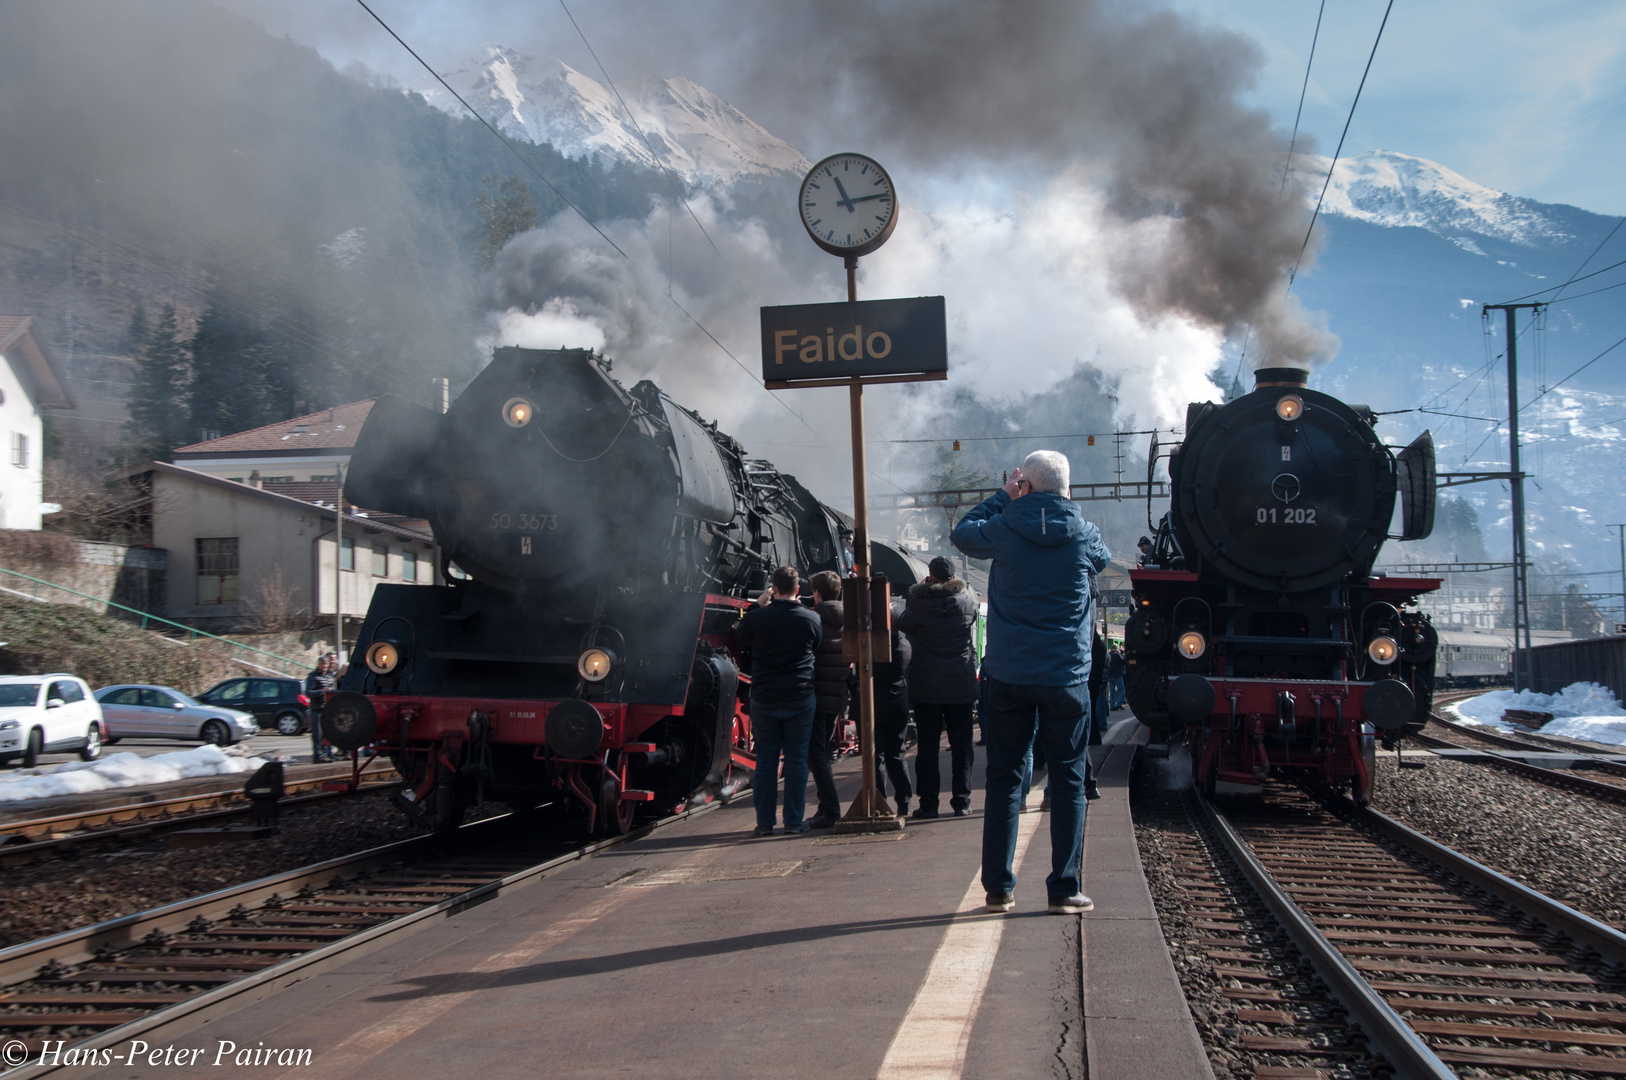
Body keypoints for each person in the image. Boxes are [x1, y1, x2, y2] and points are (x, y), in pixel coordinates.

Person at [952, 449, 1111, 915]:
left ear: (1026, 485)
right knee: (1068, 781)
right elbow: (1099, 563)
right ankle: (1064, 888)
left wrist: (1003, 496)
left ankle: (999, 888)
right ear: (1067, 488)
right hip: (1065, 676)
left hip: (1008, 674)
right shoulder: (1084, 533)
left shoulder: (1002, 526)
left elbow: (962, 534)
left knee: (1003, 780)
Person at [734, 565, 822, 836]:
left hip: (765, 695)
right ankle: (794, 822)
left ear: (773, 588)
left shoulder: (760, 617)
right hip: (800, 695)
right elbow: (816, 647)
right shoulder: (811, 619)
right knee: (796, 761)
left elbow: (740, 636)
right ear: (797, 589)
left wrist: (755, 606)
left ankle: (764, 823)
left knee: (766, 761)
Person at [897, 555, 979, 819]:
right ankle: (962, 801)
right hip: (960, 686)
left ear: (929, 576)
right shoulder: (967, 601)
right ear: (953, 577)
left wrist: (919, 593)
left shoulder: (919, 602)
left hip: (927, 688)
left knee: (928, 749)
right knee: (961, 748)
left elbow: (903, 623)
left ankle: (929, 804)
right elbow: (973, 615)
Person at [806, 571, 848, 829]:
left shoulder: (814, 618)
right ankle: (825, 807)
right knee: (822, 752)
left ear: (818, 593)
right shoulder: (847, 616)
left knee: (816, 754)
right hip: (837, 694)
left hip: (817, 694)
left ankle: (830, 809)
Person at [868, 603, 913, 817]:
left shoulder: (874, 649)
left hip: (875, 704)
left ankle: (879, 801)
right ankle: (904, 801)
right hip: (898, 703)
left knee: (876, 755)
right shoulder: (905, 646)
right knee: (897, 754)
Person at [304, 654, 336, 763]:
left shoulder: (330, 676)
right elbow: (308, 692)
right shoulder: (313, 676)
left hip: (328, 708)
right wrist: (321, 691)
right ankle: (318, 755)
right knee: (317, 733)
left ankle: (328, 753)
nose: (324, 666)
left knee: (328, 733)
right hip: (317, 708)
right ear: (318, 664)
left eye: (326, 664)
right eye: (322, 664)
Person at [1107, 646, 1128, 710]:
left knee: (1112, 691)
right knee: (1121, 689)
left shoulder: (1109, 655)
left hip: (1110, 675)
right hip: (1118, 675)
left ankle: (1112, 706)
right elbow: (1124, 660)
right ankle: (1119, 703)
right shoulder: (1117, 655)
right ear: (1116, 649)